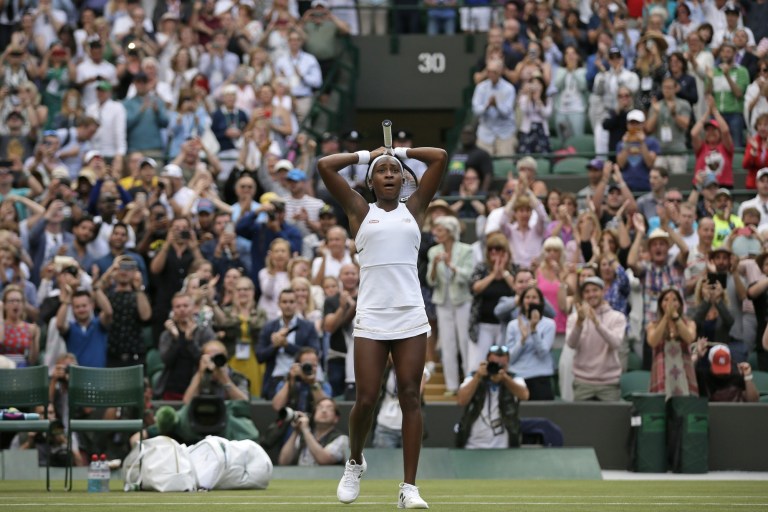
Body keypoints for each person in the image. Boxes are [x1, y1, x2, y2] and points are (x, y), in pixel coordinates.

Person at [318, 139, 447, 508]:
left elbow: (439, 157)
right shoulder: (359, 210)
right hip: (372, 316)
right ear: (371, 183)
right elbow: (325, 165)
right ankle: (355, 460)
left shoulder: (416, 207)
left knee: (410, 395)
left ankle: (409, 488)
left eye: (394, 172)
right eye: (381, 172)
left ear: (404, 180)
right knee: (366, 399)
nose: (389, 175)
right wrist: (367, 156)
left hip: (410, 315)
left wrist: (401, 153)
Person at [427, 215, 474, 397]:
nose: (435, 233)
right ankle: (452, 385)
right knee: (447, 344)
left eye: (440, 230)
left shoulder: (466, 250)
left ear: (450, 232)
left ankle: (468, 382)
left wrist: (451, 265)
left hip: (462, 301)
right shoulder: (433, 252)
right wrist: (434, 266)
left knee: (464, 341)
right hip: (442, 301)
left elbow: (468, 276)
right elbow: (431, 282)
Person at [455, 345, 530, 449]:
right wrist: (478, 376)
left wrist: (505, 379)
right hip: (473, 443)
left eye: (501, 366)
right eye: (494, 364)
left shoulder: (513, 378)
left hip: (503, 444)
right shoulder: (474, 377)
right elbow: (461, 400)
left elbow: (525, 395)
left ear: (507, 363)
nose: (497, 368)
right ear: (487, 361)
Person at [565, 277, 627, 401]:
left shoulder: (617, 317)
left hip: (608, 383)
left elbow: (615, 343)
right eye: (587, 291)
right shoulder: (574, 318)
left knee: (610, 420)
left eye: (595, 290)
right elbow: (571, 344)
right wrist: (579, 323)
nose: (591, 294)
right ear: (583, 295)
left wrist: (597, 323)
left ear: (603, 292)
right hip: (583, 382)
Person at [257, 288, 320, 400]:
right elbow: (260, 356)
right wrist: (274, 346)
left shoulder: (308, 327)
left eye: (291, 302)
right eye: (284, 302)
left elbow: (315, 353)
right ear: (278, 304)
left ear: (297, 303)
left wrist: (286, 345)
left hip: (302, 378)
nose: (288, 305)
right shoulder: (269, 327)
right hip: (275, 378)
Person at [646, 288, 698, 397]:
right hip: (662, 372)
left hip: (684, 374)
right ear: (660, 304)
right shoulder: (653, 325)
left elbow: (689, 338)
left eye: (674, 300)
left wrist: (675, 317)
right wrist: (666, 317)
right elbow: (652, 342)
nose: (670, 303)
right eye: (666, 300)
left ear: (680, 304)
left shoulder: (689, 323)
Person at [506, 286, 556, 400]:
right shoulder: (513, 325)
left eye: (534, 297)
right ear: (522, 301)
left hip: (540, 377)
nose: (530, 300)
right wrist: (522, 340)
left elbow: (543, 353)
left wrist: (533, 331)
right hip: (518, 377)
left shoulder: (549, 324)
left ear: (540, 301)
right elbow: (510, 358)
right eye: (527, 297)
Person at [278, 397, 349, 466]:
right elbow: (283, 461)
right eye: (320, 407)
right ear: (314, 414)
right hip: (300, 476)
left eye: (329, 408)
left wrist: (305, 430)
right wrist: (296, 432)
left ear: (336, 418)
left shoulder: (342, 439)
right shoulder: (303, 436)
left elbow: (324, 460)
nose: (324, 410)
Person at [695, 343, 759, 402]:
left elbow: (753, 401)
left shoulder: (737, 374)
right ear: (710, 362)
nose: (721, 374)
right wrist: (697, 356)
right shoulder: (703, 376)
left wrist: (748, 377)